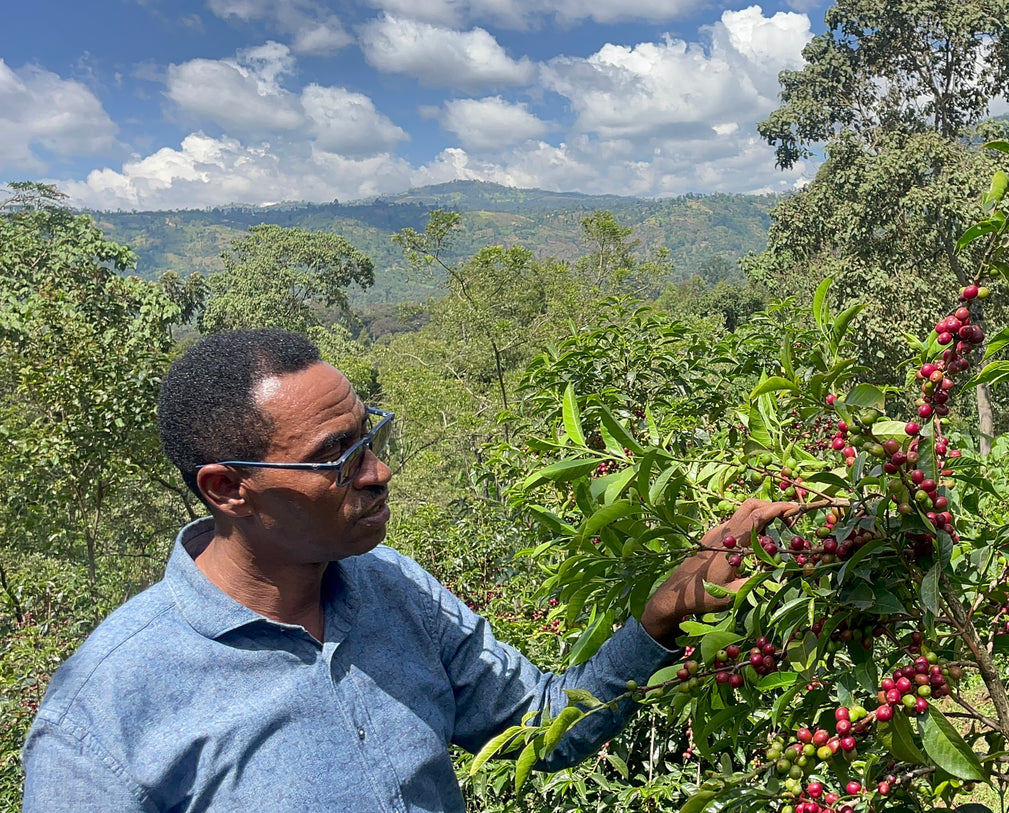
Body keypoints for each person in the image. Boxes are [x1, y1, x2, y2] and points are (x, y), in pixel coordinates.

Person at [22, 328, 794, 812]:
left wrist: (663, 614)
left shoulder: (393, 588)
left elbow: (547, 726)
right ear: (228, 487)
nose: (378, 471)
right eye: (336, 457)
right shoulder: (105, 712)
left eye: (370, 435)